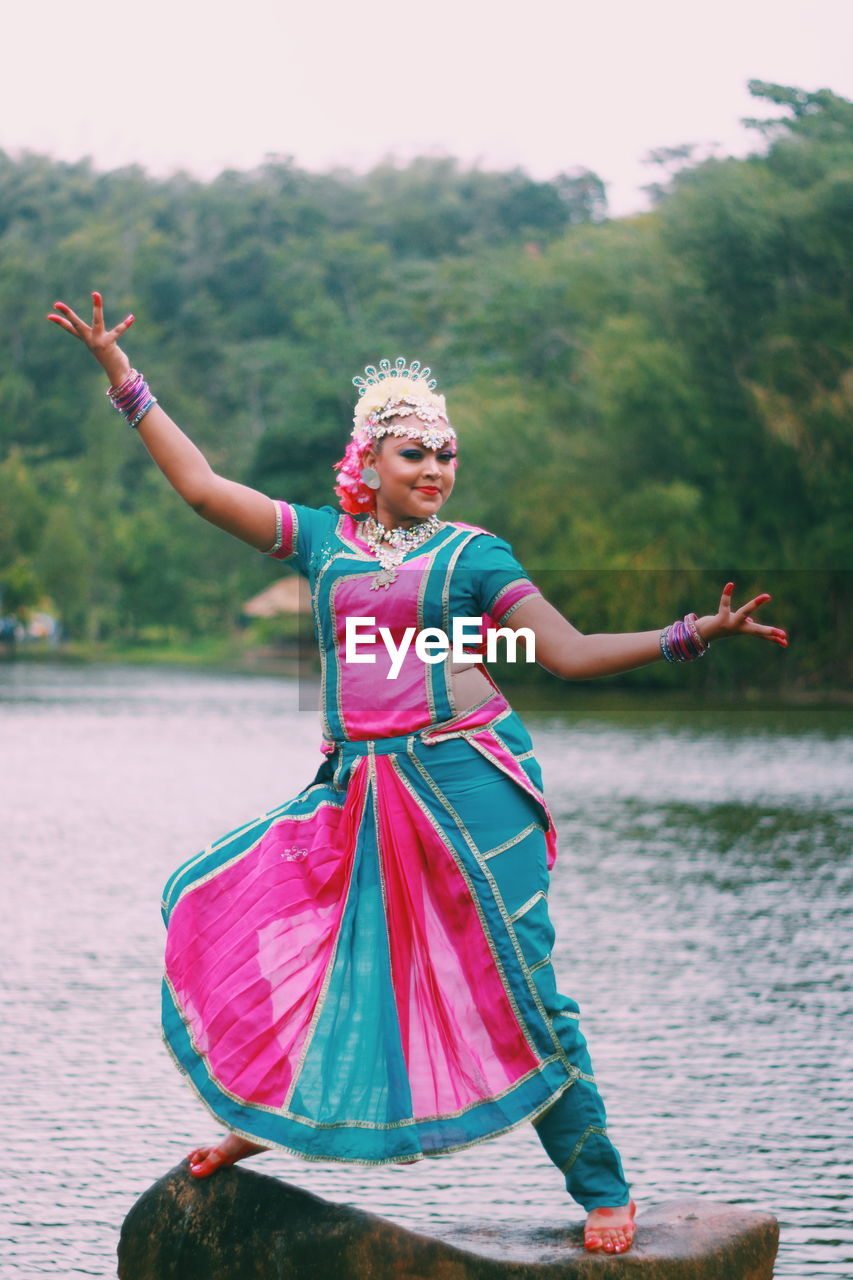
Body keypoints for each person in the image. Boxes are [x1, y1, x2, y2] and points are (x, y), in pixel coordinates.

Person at [48, 293, 787, 1256]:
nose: (435, 469)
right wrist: (121, 374)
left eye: (446, 455)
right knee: (309, 944)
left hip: (470, 790)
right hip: (361, 791)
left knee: (521, 987)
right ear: (370, 465)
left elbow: (563, 654)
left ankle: (604, 1190)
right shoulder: (321, 542)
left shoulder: (472, 557)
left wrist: (689, 633)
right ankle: (267, 1122)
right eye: (415, 454)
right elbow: (199, 488)